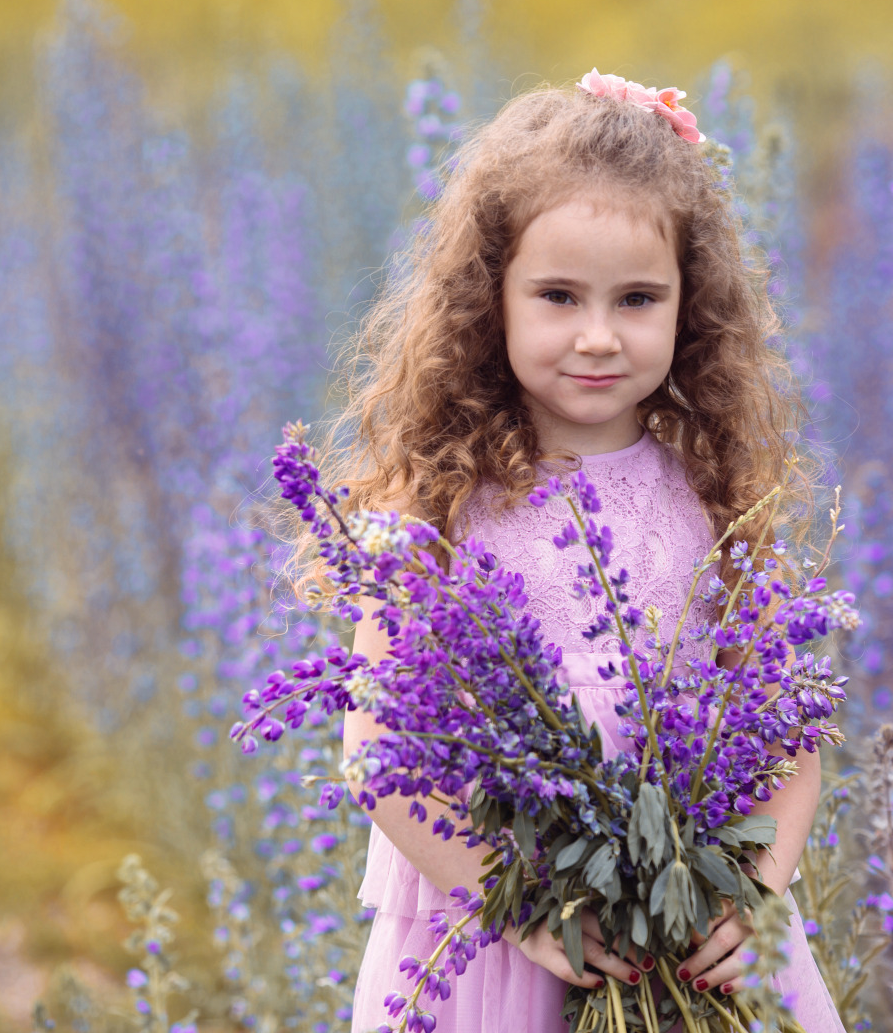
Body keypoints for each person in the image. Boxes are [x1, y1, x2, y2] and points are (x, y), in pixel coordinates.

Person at [317, 68, 846, 1033]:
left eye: (637, 298)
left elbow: (790, 737)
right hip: (489, 948)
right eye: (557, 295)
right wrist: (518, 905)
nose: (597, 337)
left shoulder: (714, 498)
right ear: (492, 301)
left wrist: (755, 897)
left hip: (694, 948)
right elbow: (376, 755)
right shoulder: (438, 510)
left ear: (689, 308)